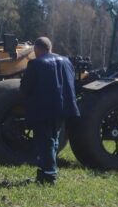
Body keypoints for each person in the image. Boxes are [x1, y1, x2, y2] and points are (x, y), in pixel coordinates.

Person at [19, 36, 80, 184]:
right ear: (50, 48)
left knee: (45, 141)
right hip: (63, 108)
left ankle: (49, 175)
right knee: (54, 140)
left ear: (36, 49)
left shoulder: (36, 63)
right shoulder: (66, 61)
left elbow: (25, 88)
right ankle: (43, 173)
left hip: (44, 108)